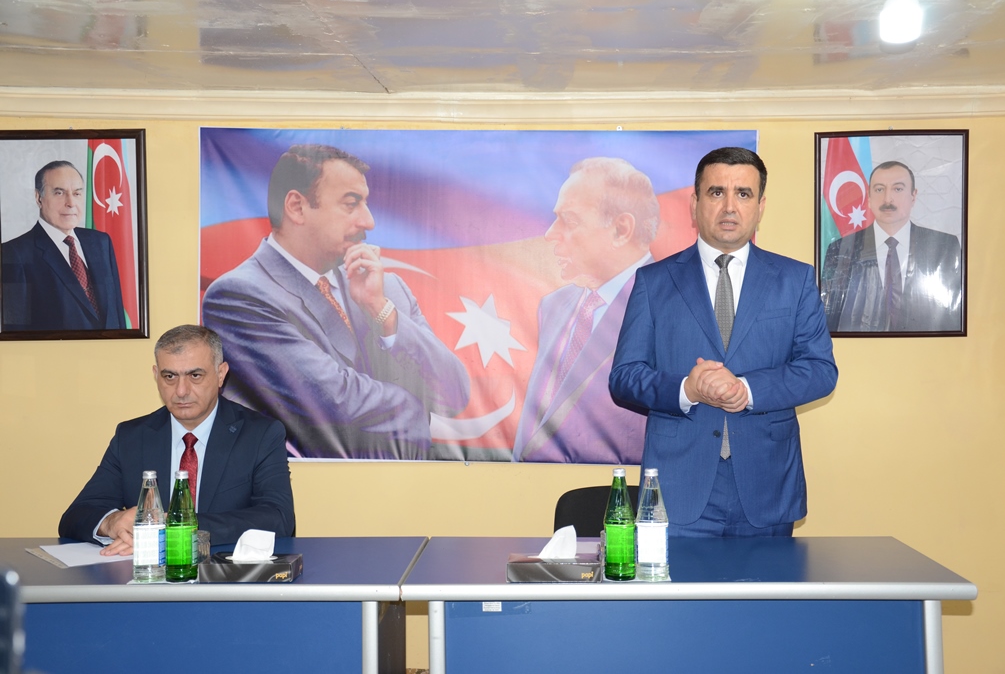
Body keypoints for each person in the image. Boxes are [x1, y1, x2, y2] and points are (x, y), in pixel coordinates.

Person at [609, 147, 838, 537]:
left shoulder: (795, 280)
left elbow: (820, 371)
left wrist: (746, 390)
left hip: (767, 485)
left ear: (760, 207)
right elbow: (625, 377)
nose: (730, 206)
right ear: (694, 203)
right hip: (679, 487)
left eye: (743, 194)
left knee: (769, 582)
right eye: (716, 192)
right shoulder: (654, 282)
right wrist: (687, 389)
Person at [202, 144, 470, 459]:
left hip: (407, 486)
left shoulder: (388, 289)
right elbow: (334, 402)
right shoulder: (239, 296)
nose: (369, 221)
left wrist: (382, 312)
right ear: (297, 207)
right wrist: (415, 407)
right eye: (351, 204)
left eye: (366, 204)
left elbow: (455, 394)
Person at [59, 325, 295, 552]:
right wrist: (112, 523)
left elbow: (279, 518)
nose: (181, 391)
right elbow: (76, 515)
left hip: (223, 573)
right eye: (170, 376)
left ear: (221, 374)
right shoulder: (131, 437)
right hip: (148, 574)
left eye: (195, 375)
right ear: (156, 376)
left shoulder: (260, 434)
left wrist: (175, 527)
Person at [513, 157, 657, 463]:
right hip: (534, 484)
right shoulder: (554, 306)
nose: (550, 233)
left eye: (569, 220)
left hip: (617, 488)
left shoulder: (672, 305)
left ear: (621, 229)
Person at [820, 161, 962, 332]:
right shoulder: (841, 249)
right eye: (879, 189)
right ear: (869, 197)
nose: (887, 199)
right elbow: (830, 319)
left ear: (913, 196)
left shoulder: (944, 247)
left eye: (898, 189)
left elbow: (954, 317)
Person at [1, 161, 126, 332]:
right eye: (59, 193)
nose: (71, 202)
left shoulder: (101, 242)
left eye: (77, 193)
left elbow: (117, 314)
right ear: (39, 198)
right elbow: (16, 332)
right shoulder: (14, 253)